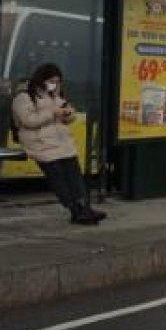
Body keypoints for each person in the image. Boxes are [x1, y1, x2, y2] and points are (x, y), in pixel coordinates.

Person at [11, 63, 105, 226]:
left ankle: (85, 207)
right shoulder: (24, 97)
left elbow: (68, 117)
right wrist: (53, 113)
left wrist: (69, 114)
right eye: (52, 81)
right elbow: (28, 121)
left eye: (57, 81)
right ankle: (75, 210)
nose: (55, 85)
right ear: (42, 79)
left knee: (75, 176)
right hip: (41, 144)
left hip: (61, 143)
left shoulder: (55, 96)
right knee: (59, 179)